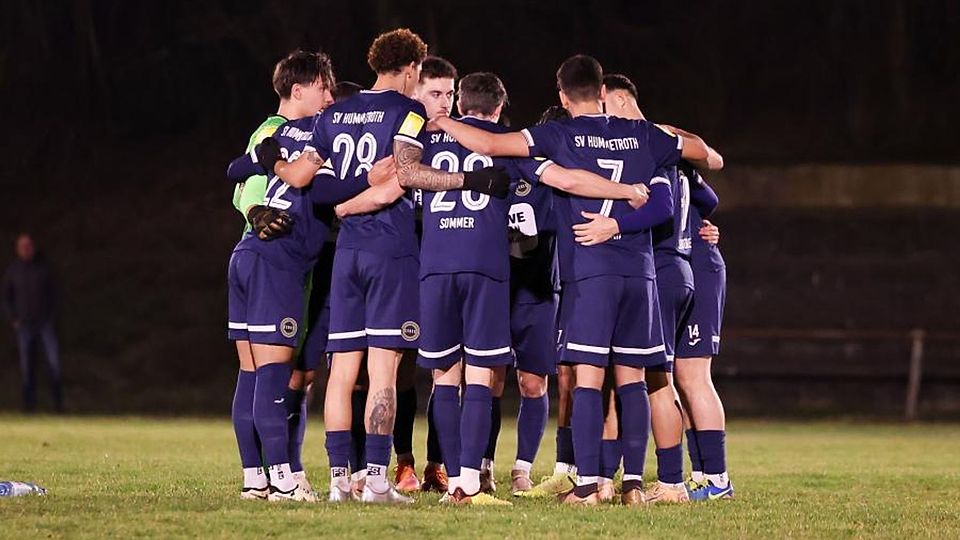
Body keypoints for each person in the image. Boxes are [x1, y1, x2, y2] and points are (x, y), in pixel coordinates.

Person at [433, 54, 721, 505]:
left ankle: (588, 486)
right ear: (603, 92)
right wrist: (662, 136)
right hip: (640, 274)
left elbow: (490, 146)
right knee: (633, 381)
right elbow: (704, 153)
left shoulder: (558, 134)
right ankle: (634, 486)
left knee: (588, 380)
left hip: (590, 272)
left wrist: (443, 122)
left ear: (563, 97)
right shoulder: (645, 134)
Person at [265, 28, 510, 504]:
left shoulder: (333, 114)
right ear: (413, 69)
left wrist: (348, 207)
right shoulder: (408, 111)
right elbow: (408, 172)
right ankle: (376, 478)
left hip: (348, 254)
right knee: (383, 370)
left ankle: (341, 479)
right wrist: (469, 178)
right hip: (391, 250)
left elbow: (317, 185)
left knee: (341, 371)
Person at [223, 49, 335, 502]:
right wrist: (257, 210)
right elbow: (248, 191)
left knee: (257, 376)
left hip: (259, 260)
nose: (330, 96)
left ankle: (257, 477)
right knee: (277, 375)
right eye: (324, 87)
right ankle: (286, 477)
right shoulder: (281, 132)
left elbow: (238, 171)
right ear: (298, 89)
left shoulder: (277, 135)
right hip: (277, 262)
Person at [3, 233, 62, 413]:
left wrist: (52, 316)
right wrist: (12, 317)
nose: (25, 250)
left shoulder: (44, 268)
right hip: (24, 325)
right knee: (27, 366)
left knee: (53, 363)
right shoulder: (13, 270)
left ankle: (58, 405)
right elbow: (6, 296)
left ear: (33, 248)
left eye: (28, 246)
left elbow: (55, 294)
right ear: (17, 250)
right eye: (22, 247)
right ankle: (29, 406)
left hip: (44, 323)